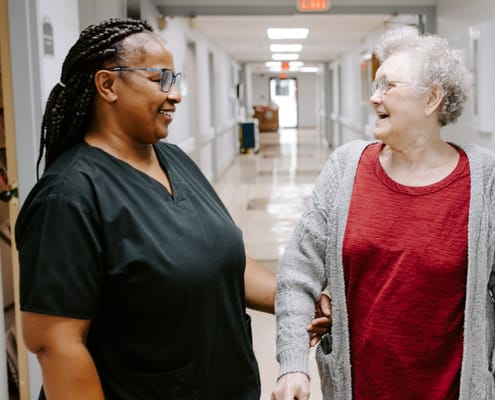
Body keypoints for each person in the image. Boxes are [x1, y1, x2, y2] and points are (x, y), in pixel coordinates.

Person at [15, 18, 330, 399]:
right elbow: (56, 344)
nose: (175, 94)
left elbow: (223, 261)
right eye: (159, 79)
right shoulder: (69, 196)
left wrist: (300, 302)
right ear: (108, 85)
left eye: (175, 79)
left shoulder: (175, 160)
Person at [272, 27, 495, 400]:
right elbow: (298, 272)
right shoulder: (346, 167)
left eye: (387, 86)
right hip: (361, 388)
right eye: (374, 85)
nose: (373, 97)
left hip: (453, 389)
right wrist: (293, 364)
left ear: (431, 99)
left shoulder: (485, 177)